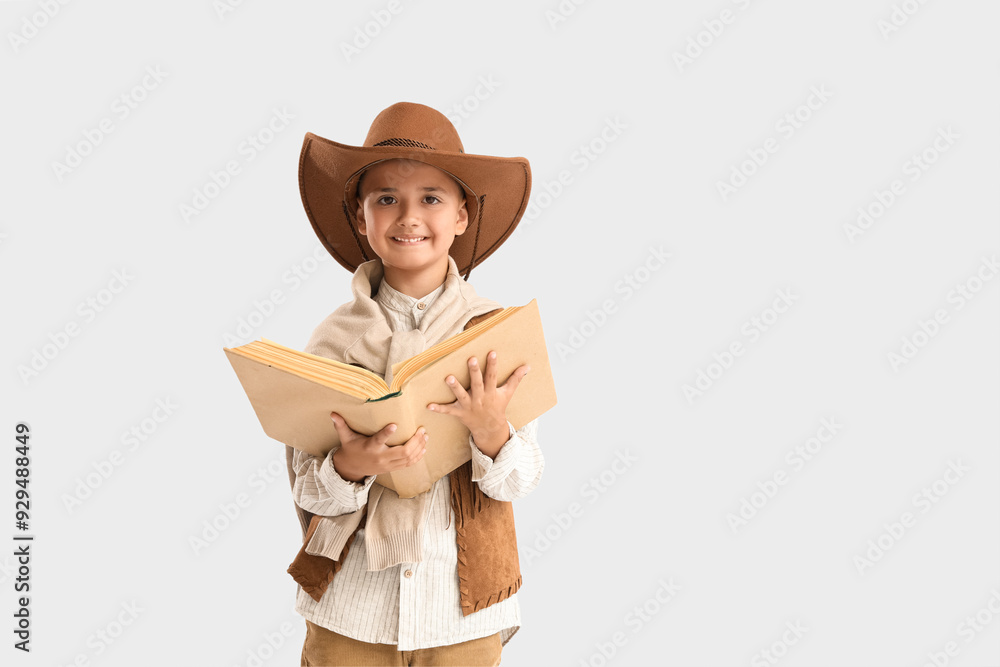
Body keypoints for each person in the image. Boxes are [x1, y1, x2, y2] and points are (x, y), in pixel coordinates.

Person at [285, 101, 544, 667]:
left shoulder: (492, 333)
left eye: (431, 198)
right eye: (386, 199)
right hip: (349, 605)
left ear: (461, 216)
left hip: (461, 608)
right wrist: (351, 465)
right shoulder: (334, 340)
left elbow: (520, 481)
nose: (408, 216)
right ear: (360, 217)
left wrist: (493, 432)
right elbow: (306, 487)